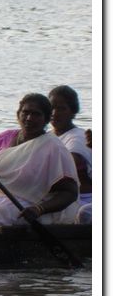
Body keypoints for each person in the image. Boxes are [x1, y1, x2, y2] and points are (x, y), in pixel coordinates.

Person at [0, 93, 79, 226]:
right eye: (25, 112)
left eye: (36, 114)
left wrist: (39, 209)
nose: (29, 118)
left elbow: (70, 193)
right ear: (18, 114)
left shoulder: (54, 147)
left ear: (47, 119)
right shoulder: (4, 137)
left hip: (30, 209)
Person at [49, 85, 92, 224]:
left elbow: (70, 165)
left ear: (73, 112)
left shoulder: (77, 137)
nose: (55, 113)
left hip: (84, 199)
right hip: (58, 198)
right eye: (51, 108)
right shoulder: (46, 137)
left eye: (61, 108)